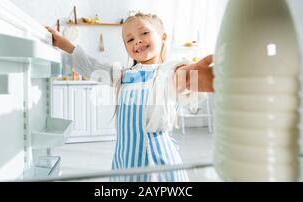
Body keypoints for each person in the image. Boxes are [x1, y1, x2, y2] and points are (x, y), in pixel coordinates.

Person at [47, 12, 214, 182]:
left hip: (157, 165)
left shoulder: (166, 72)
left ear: (163, 37)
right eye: (130, 39)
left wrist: (190, 77)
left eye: (144, 33)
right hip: (124, 162)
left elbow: (180, 75)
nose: (137, 41)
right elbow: (91, 66)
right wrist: (61, 42)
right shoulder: (122, 75)